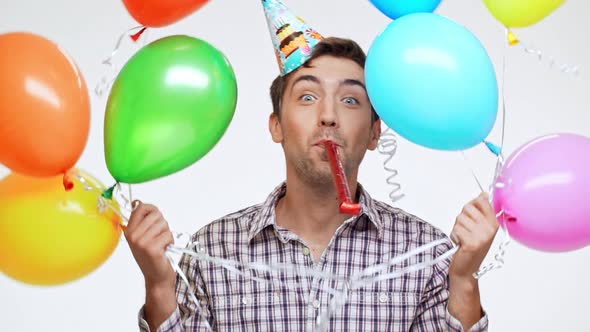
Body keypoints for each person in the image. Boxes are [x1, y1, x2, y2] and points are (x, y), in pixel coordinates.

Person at [128, 1, 499, 331]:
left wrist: (464, 278)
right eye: (308, 96)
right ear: (276, 125)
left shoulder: (427, 253)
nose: (328, 116)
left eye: (351, 100)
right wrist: (160, 283)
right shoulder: (213, 250)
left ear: (374, 133)